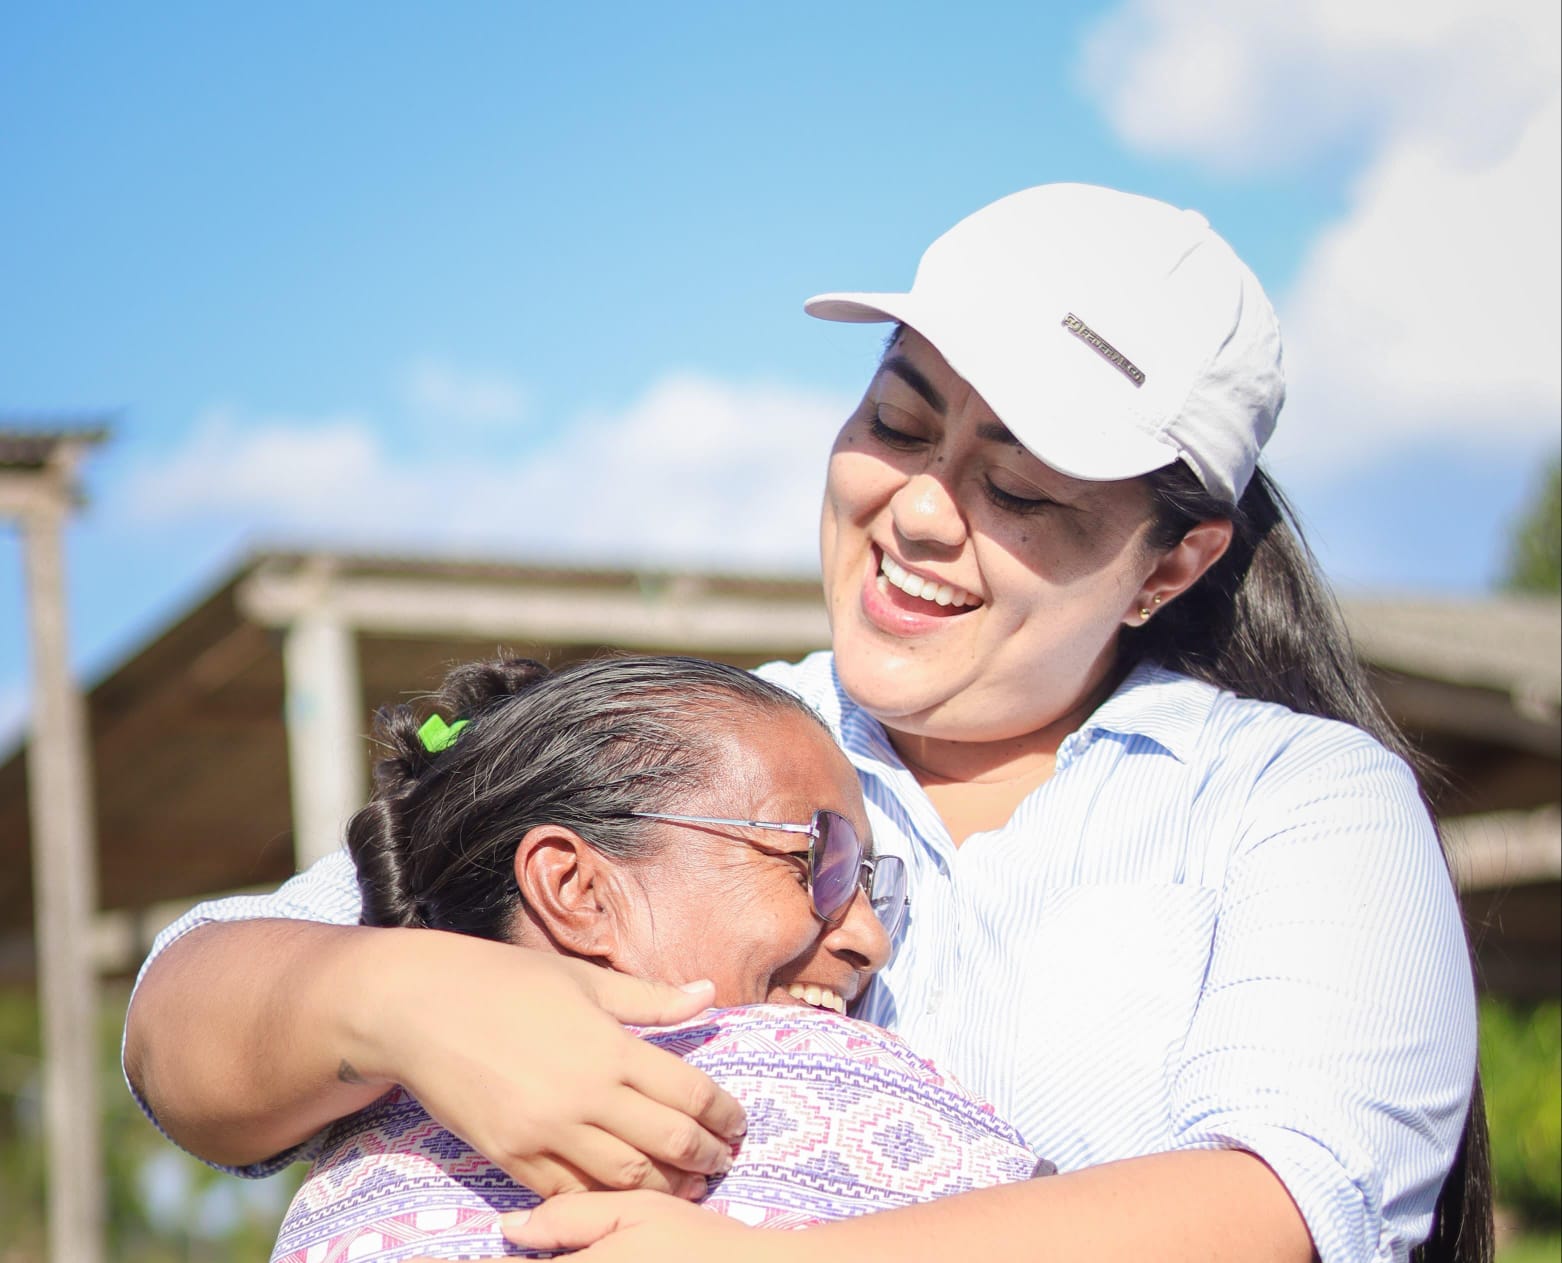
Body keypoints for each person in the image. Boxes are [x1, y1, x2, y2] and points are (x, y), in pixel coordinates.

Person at [124, 183, 1491, 1263]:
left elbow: (1278, 1209)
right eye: (899, 419)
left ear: (1168, 564)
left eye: (1018, 492)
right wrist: (400, 994)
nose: (917, 506)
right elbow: (186, 1027)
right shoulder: (704, 742)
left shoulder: (1288, 798)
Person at [263, 653, 1038, 1262]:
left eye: (872, 883)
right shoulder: (857, 1089)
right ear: (574, 887)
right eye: (823, 861)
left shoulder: (339, 1155)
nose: (872, 937)